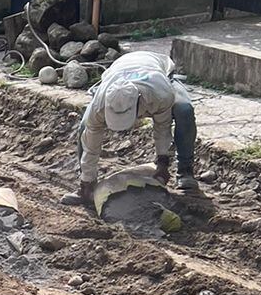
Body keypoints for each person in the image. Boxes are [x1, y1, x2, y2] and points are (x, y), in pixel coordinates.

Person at [75, 50, 198, 207]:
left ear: (139, 102)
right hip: (119, 68)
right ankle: (84, 185)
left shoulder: (160, 94)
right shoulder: (100, 104)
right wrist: (88, 179)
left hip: (157, 69)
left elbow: (162, 127)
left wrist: (163, 163)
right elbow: (91, 143)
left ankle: (185, 170)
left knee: (184, 110)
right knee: (84, 127)